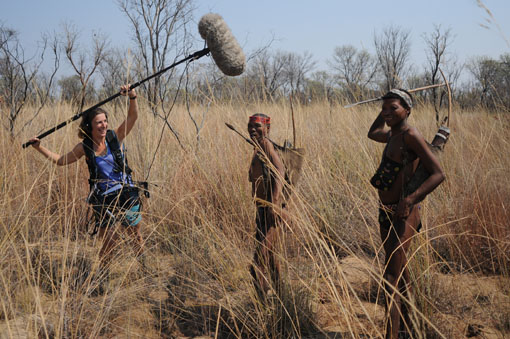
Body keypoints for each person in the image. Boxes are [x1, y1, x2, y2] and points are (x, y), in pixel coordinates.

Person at [29, 85, 144, 268]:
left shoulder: (115, 137)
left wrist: (132, 96)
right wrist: (39, 147)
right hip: (104, 198)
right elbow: (60, 160)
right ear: (90, 126)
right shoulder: (85, 147)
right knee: (109, 241)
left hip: (126, 192)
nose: (104, 125)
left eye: (105, 121)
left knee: (135, 234)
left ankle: (143, 265)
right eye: (99, 122)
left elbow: (133, 117)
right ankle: (100, 275)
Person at [368, 89, 445, 338]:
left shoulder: (410, 135)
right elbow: (372, 133)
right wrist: (385, 109)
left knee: (390, 277)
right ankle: (409, 330)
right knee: (400, 274)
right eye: (385, 108)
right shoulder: (392, 134)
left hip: (404, 215)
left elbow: (438, 173)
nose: (388, 113)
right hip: (386, 212)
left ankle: (392, 335)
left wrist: (410, 199)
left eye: (394, 108)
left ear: (408, 110)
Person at [247, 113, 286, 299]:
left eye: (257, 126)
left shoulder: (266, 145)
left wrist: (274, 203)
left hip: (270, 211)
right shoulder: (258, 148)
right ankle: (282, 297)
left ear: (267, 129)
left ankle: (263, 308)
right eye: (250, 126)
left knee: (258, 264)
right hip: (261, 210)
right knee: (270, 258)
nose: (253, 129)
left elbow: (280, 171)